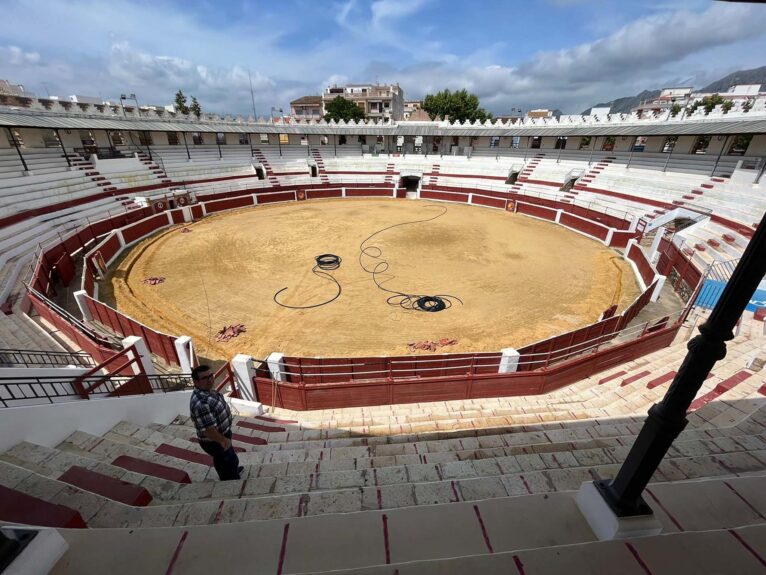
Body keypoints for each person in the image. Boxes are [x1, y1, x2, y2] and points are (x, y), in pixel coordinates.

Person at [189, 365, 243, 480]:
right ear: (196, 382)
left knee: (228, 458)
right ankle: (230, 479)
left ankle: (231, 470)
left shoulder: (206, 391)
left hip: (222, 435)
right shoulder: (202, 404)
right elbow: (208, 431)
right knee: (226, 460)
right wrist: (223, 440)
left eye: (210, 376)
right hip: (215, 440)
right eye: (204, 378)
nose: (210, 380)